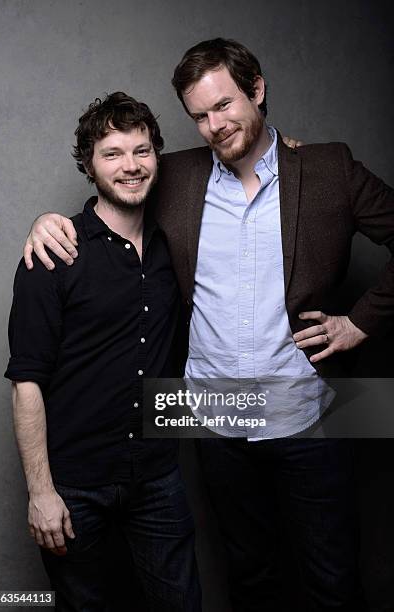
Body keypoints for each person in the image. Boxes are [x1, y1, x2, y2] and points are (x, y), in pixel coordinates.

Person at [21, 38, 394, 610]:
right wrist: (45, 222)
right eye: (200, 115)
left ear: (257, 90)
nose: (216, 125)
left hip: (315, 412)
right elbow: (116, 180)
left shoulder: (326, 167)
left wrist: (360, 323)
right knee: (249, 576)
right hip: (217, 421)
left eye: (224, 106)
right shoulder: (176, 177)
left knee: (332, 581)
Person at [5, 92, 201, 612]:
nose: (130, 166)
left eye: (142, 150)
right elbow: (27, 382)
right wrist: (41, 493)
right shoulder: (53, 255)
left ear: (157, 157)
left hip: (158, 477)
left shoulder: (175, 248)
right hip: (75, 490)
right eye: (112, 153)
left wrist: (289, 150)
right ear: (89, 165)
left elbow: (237, 150)